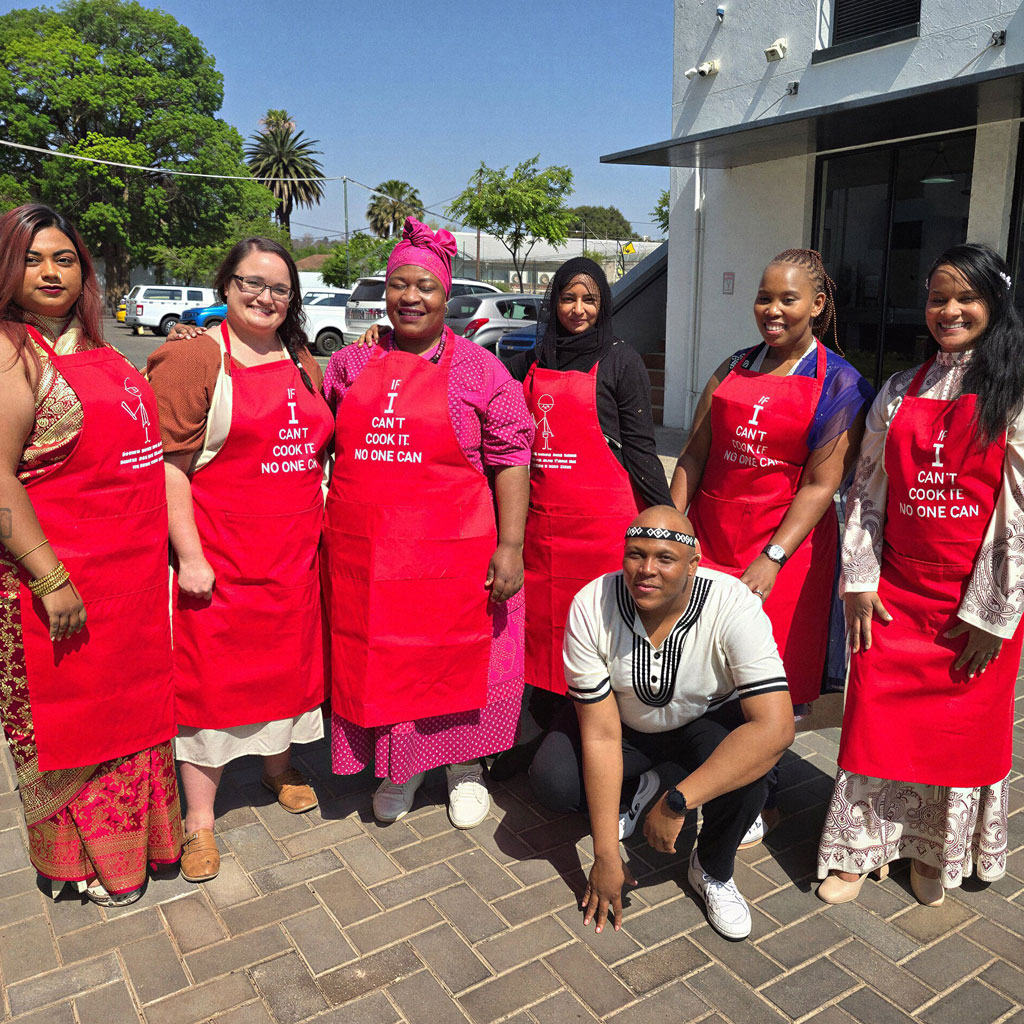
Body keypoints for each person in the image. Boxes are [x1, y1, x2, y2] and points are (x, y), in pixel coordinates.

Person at [817, 243, 1024, 906]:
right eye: (939, 297)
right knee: (874, 722)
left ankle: (936, 851)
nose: (950, 310)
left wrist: (993, 613)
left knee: (958, 738)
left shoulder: (1014, 395)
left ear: (993, 304)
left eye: (966, 297)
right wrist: (860, 577)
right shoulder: (901, 390)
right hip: (896, 597)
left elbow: (1018, 513)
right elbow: (868, 487)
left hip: (976, 600)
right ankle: (857, 851)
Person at [322, 217, 534, 829]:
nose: (409, 297)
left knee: (457, 663)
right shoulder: (349, 364)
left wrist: (512, 545)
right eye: (397, 285)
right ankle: (400, 767)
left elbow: (511, 457)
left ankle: (463, 769)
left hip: (455, 556)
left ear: (447, 297)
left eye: (425, 286)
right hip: (377, 558)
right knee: (388, 663)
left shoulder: (481, 371)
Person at [0, 204, 181, 906]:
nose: (50, 272)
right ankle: (77, 865)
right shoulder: (12, 352)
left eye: (65, 259)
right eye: (32, 259)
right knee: (74, 725)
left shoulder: (95, 348)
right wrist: (50, 576)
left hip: (126, 580)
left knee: (131, 718)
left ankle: (137, 852)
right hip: (55, 584)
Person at [148, 238, 333, 883]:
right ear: (226, 285)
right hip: (219, 562)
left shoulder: (304, 362)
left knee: (286, 672)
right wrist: (190, 556)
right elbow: (170, 471)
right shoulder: (196, 359)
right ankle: (199, 820)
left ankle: (279, 769)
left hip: (292, 558)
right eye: (252, 283)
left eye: (279, 289)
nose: (265, 297)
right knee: (213, 686)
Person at [530, 505, 794, 940]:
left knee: (753, 768)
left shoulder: (733, 604)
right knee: (554, 781)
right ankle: (644, 787)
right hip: (624, 723)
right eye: (635, 554)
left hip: (702, 719)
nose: (646, 570)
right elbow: (600, 732)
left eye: (665, 559)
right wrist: (606, 854)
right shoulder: (592, 604)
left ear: (694, 565)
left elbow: (776, 727)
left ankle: (712, 868)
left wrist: (679, 803)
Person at [672, 249, 872, 717]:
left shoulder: (841, 385)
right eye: (764, 298)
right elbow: (695, 453)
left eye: (788, 299)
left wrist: (772, 558)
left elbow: (822, 485)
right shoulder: (733, 365)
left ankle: (756, 780)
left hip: (785, 550)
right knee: (696, 669)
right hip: (709, 539)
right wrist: (670, 525)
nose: (773, 311)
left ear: (818, 305)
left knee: (763, 683)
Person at [504, 258, 671, 743]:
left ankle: (599, 735)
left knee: (597, 633)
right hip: (542, 530)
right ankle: (545, 728)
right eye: (568, 298)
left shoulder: (621, 359)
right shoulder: (536, 357)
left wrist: (668, 520)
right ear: (554, 302)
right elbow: (476, 374)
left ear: (604, 305)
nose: (578, 309)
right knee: (542, 630)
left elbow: (641, 448)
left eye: (590, 299)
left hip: (603, 532)